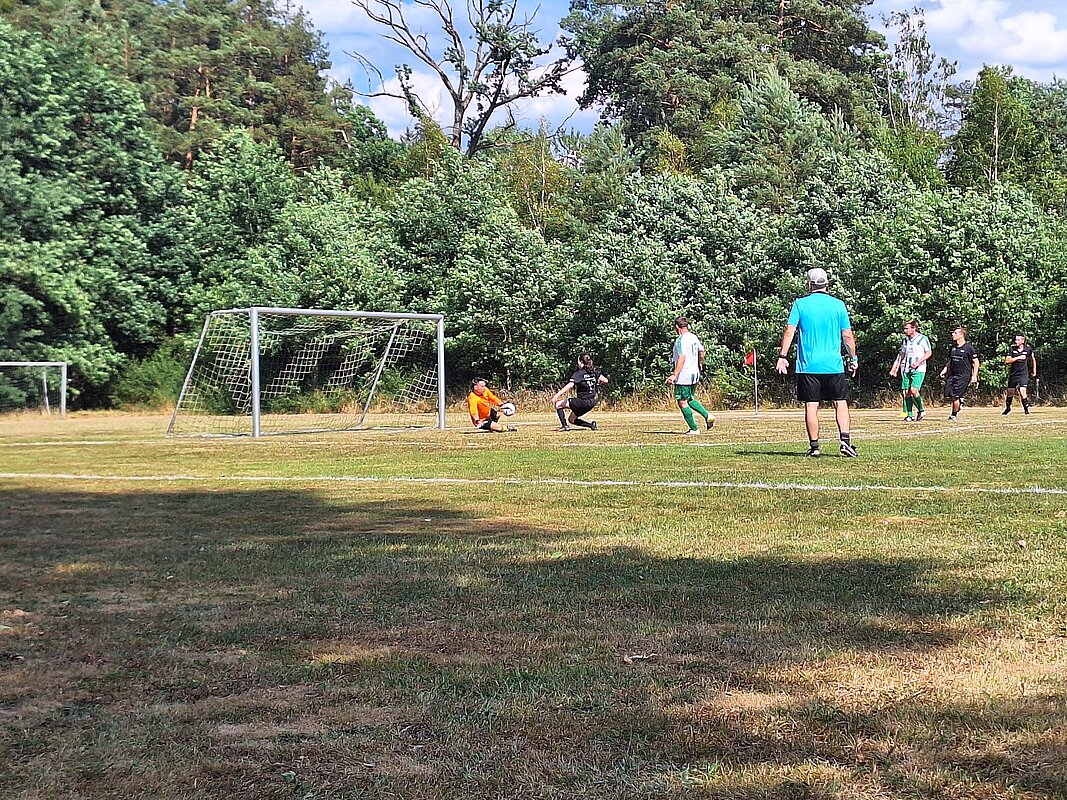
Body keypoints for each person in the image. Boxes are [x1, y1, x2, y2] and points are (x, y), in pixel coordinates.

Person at [775, 267, 858, 458]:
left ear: (809, 284)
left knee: (811, 406)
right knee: (840, 403)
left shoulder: (800, 304)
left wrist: (782, 356)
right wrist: (853, 358)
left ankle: (814, 447)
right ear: (827, 283)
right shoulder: (838, 305)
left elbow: (789, 331)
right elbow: (847, 335)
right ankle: (845, 442)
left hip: (808, 366)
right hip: (833, 365)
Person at [665, 316, 714, 435]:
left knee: (682, 401)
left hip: (684, 374)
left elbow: (682, 357)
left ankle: (694, 429)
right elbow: (701, 351)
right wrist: (699, 364)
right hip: (694, 373)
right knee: (690, 398)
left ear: (677, 327)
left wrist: (674, 375)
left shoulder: (680, 340)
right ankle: (708, 416)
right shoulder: (693, 337)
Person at [889, 320, 932, 422]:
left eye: (907, 328)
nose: (905, 331)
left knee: (914, 390)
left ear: (914, 328)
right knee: (906, 392)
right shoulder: (905, 340)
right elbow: (902, 355)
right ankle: (909, 415)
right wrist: (895, 368)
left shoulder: (923, 339)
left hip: (919, 369)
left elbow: (928, 352)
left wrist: (918, 362)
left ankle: (921, 410)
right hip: (906, 369)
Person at [552, 354, 609, 431]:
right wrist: (597, 383)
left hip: (583, 402)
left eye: (578, 361)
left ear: (581, 362)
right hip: (591, 402)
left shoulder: (579, 373)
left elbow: (570, 385)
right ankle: (591, 425)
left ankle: (565, 426)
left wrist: (557, 395)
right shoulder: (594, 371)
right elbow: (605, 380)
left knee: (558, 404)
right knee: (572, 419)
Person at [939, 326, 980, 421]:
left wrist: (974, 376)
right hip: (952, 375)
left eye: (955, 333)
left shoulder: (969, 348)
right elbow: (950, 360)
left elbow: (976, 362)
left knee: (955, 397)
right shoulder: (953, 348)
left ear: (961, 335)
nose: (952, 334)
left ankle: (953, 415)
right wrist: (944, 370)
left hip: (963, 376)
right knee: (947, 396)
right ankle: (959, 402)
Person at [1002, 334, 1038, 415]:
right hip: (1014, 374)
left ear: (1022, 341)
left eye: (1018, 340)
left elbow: (1033, 359)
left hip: (1023, 374)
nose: (1016, 341)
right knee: (1010, 392)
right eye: (1015, 340)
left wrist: (1034, 370)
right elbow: (1007, 361)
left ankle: (1026, 410)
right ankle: (1008, 408)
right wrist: (1018, 358)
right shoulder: (1012, 349)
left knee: (1022, 391)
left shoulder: (1028, 349)